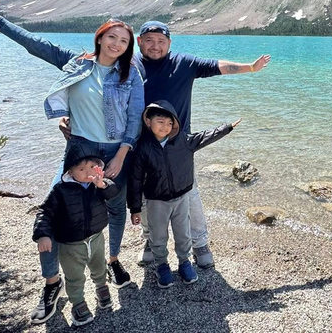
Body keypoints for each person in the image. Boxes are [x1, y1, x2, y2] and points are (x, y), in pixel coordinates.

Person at [0, 0, 144, 324]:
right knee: (53, 210)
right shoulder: (75, 63)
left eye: (124, 41)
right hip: (80, 149)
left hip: (115, 152)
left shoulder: (130, 74)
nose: (117, 44)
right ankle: (52, 282)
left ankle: (111, 260)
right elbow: (33, 43)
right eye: (112, 37)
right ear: (100, 38)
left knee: (114, 208)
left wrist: (122, 155)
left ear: (128, 47)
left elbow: (135, 118)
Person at [62, 19, 270, 269]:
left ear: (169, 43)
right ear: (139, 42)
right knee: (145, 196)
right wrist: (71, 116)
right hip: (140, 145)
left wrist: (251, 68)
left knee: (189, 195)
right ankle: (151, 241)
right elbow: (96, 87)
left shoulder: (184, 63)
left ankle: (200, 244)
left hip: (177, 146)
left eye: (161, 41)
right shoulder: (129, 65)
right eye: (149, 40)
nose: (155, 46)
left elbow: (217, 66)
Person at [128, 101, 240, 288]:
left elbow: (205, 137)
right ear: (148, 122)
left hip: (181, 198)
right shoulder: (143, 148)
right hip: (156, 201)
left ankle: (184, 262)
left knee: (183, 234)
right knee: (158, 236)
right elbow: (135, 179)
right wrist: (135, 208)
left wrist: (226, 128)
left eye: (169, 123)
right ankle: (162, 265)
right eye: (160, 122)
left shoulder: (184, 141)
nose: (165, 127)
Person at [33, 144, 119, 327]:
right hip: (71, 244)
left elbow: (113, 193)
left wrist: (102, 185)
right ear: (70, 172)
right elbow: (45, 212)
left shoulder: (98, 185)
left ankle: (102, 288)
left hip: (96, 238)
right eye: (81, 169)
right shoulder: (60, 191)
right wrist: (43, 235)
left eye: (92, 167)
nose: (88, 172)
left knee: (99, 267)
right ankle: (78, 303)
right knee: (74, 276)